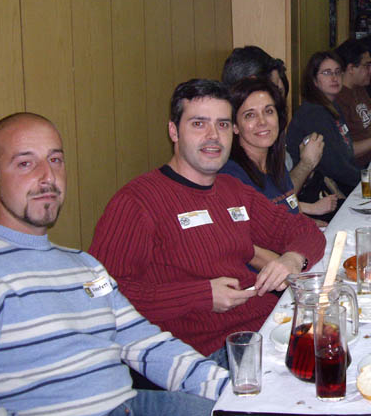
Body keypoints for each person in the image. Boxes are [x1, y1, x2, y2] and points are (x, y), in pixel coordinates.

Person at [0, 112, 286, 416]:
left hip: (133, 410)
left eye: (55, 160)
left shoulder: (85, 268)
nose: (47, 176)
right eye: (25, 164)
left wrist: (237, 396)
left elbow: (146, 344)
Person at [90, 79, 325, 358]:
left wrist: (293, 259)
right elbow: (100, 295)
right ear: (173, 131)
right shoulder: (137, 201)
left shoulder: (232, 189)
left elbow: (304, 229)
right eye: (199, 124)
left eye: (222, 124)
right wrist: (200, 296)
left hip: (266, 326)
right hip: (206, 352)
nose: (213, 136)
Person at [220, 77, 339, 220]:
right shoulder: (231, 176)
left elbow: (288, 212)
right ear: (235, 126)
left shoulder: (275, 165)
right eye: (250, 115)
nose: (262, 122)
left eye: (269, 111)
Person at [286, 52, 361, 195]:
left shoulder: (332, 105)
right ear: (314, 80)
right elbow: (335, 166)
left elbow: (345, 153)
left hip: (338, 183)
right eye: (327, 73)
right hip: (315, 191)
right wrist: (368, 179)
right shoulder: (313, 113)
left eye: (337, 72)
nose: (334, 78)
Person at [335, 39, 371, 166]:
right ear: (351, 68)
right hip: (358, 169)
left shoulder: (360, 88)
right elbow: (345, 150)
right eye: (367, 65)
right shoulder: (338, 98)